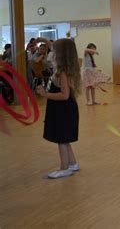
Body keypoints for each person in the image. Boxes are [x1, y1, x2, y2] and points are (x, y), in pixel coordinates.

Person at [36, 39, 81, 179]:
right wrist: (43, 40)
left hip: (63, 109)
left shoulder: (62, 72)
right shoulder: (65, 68)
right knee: (64, 138)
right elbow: (51, 45)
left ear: (60, 54)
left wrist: (45, 94)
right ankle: (73, 163)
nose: (51, 52)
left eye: (54, 51)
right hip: (64, 109)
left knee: (61, 139)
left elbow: (64, 95)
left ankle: (64, 168)